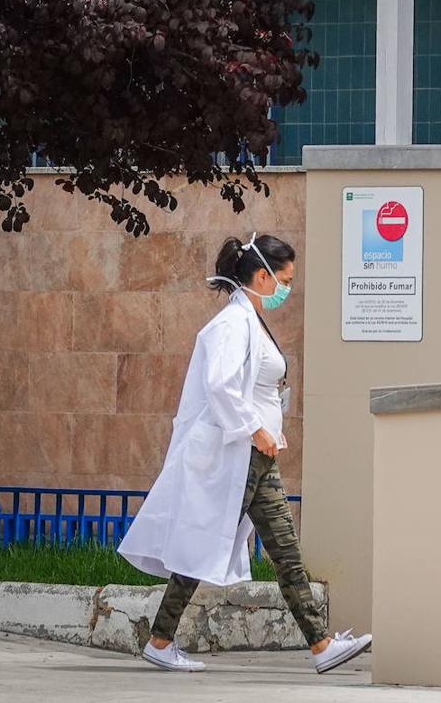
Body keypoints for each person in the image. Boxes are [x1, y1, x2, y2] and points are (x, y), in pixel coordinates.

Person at [118, 233, 371, 674]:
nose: (286, 290)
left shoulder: (249, 320)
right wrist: (254, 429)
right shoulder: (232, 325)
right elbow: (219, 383)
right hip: (241, 455)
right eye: (284, 280)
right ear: (261, 275)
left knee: (269, 550)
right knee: (257, 549)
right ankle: (318, 644)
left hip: (253, 458)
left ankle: (318, 644)